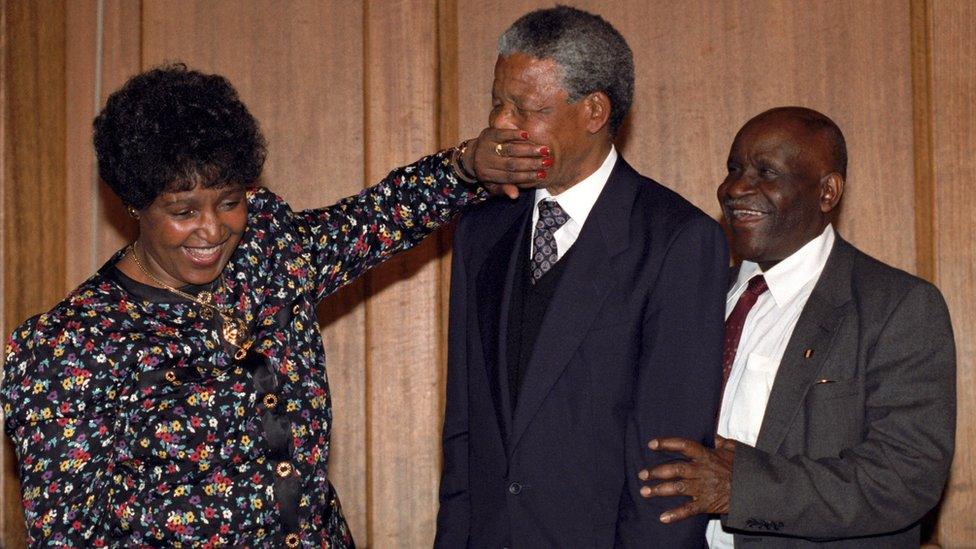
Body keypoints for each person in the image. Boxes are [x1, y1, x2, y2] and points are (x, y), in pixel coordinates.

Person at [1, 63, 545, 547]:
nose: (213, 229)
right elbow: (68, 534)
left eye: (230, 202)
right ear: (133, 203)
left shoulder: (266, 250)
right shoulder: (66, 347)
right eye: (182, 210)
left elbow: (376, 221)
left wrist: (466, 166)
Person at [435, 6, 729, 547]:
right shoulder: (481, 230)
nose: (500, 124)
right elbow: (465, 434)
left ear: (594, 111)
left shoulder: (677, 242)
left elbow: (668, 469)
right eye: (498, 102)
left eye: (526, 109)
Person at [640, 107, 956, 547]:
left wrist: (744, 490)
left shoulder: (896, 306)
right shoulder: (694, 296)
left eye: (765, 172)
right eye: (733, 169)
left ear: (827, 191)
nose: (734, 188)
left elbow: (906, 476)